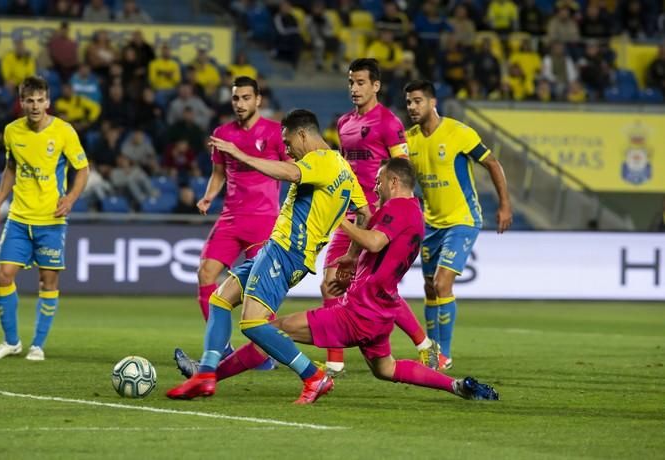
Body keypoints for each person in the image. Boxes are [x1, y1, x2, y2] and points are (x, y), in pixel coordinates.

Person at [169, 158, 499, 404]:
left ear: (395, 182)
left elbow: (374, 241)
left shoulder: (399, 207)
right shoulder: (410, 211)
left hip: (357, 314)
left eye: (381, 181)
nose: (376, 186)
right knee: (386, 369)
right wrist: (353, 259)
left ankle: (208, 375)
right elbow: (375, 250)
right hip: (379, 313)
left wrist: (338, 217)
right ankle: (456, 385)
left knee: (266, 332)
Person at [166, 109, 369, 404]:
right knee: (220, 299)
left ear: (303, 134)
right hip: (283, 250)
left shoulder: (319, 160)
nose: (287, 150)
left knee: (252, 324)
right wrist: (351, 256)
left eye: (288, 143)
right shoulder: (344, 169)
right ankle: (206, 375)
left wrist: (241, 155)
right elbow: (364, 213)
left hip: (287, 250)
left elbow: (288, 173)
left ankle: (313, 375)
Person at [321, 58, 437, 375]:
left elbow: (403, 170)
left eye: (361, 82)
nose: (354, 88)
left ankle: (335, 361)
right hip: (352, 210)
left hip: (378, 216)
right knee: (341, 282)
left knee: (366, 286)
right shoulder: (344, 123)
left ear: (376, 85)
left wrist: (403, 211)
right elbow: (348, 166)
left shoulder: (388, 122)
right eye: (351, 82)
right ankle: (425, 347)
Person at [174, 77, 290, 373]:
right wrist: (208, 196)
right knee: (205, 273)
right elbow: (218, 172)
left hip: (264, 221)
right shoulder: (223, 133)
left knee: (260, 292)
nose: (240, 104)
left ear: (258, 100)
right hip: (230, 218)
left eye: (246, 98)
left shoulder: (276, 133)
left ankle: (261, 355)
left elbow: (291, 170)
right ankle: (223, 349)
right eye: (236, 98)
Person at [403, 79, 513, 370]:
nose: (412, 107)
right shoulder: (409, 140)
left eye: (418, 101)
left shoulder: (459, 132)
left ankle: (444, 353)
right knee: (429, 288)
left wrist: (504, 204)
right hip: (431, 225)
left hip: (462, 219)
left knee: (442, 283)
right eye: (409, 102)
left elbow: (492, 164)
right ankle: (432, 351)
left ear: (432, 102)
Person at [0, 75, 89, 361]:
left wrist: (70, 199)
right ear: (21, 102)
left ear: (48, 101)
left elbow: (83, 169)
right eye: (29, 100)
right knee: (3, 275)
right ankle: (11, 341)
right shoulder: (12, 132)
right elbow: (10, 169)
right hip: (19, 217)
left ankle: (37, 345)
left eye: (40, 100)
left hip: (51, 219)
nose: (35, 105)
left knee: (48, 281)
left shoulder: (64, 132)